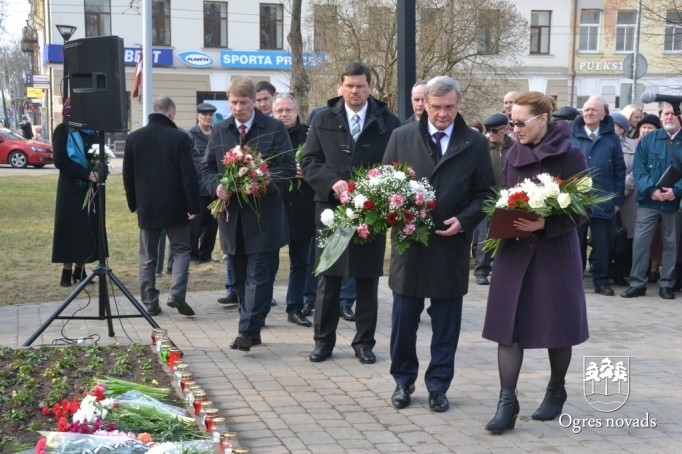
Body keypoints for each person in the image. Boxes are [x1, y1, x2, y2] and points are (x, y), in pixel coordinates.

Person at [382, 76, 495, 412]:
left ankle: (438, 386)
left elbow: (486, 194)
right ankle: (403, 381)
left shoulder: (474, 143)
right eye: (436, 107)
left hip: (451, 245)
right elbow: (383, 183)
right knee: (403, 321)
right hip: (410, 246)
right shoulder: (401, 137)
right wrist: (397, 211)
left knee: (446, 325)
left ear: (458, 105)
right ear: (424, 105)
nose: (443, 114)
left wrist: (465, 220)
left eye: (450, 107)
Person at [482, 91, 589, 434]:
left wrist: (548, 223)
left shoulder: (571, 155)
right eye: (511, 122)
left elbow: (585, 206)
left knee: (557, 325)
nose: (514, 129)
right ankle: (506, 402)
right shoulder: (513, 154)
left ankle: (556, 390)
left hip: (554, 253)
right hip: (514, 251)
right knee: (507, 327)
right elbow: (503, 194)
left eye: (519, 123)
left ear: (542, 120)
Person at [301, 61, 401, 364]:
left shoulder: (389, 122)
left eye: (360, 85)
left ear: (370, 87)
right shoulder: (322, 119)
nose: (354, 91)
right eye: (349, 85)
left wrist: (375, 191)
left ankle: (364, 342)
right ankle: (323, 341)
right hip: (332, 209)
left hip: (371, 212)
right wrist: (334, 182)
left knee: (367, 278)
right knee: (328, 276)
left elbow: (395, 166)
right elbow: (309, 162)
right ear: (340, 87)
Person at [203, 77, 295, 351]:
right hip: (232, 219)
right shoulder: (220, 130)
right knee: (240, 275)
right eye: (233, 102)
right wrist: (217, 186)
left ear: (254, 101)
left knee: (260, 275)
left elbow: (287, 168)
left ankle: (245, 330)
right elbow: (207, 168)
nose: (238, 108)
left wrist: (261, 180)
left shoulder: (274, 128)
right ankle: (252, 327)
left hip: (263, 217)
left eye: (244, 102)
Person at [123, 96, 200, 317]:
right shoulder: (179, 138)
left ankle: (149, 301)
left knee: (147, 256)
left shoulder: (134, 138)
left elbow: (128, 175)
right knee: (181, 250)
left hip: (147, 205)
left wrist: (133, 203)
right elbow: (189, 175)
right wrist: (193, 205)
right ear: (171, 113)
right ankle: (176, 294)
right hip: (176, 205)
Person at [621, 103, 682, 300]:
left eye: (673, 114)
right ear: (660, 115)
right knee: (641, 242)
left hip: (673, 202)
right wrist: (652, 190)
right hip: (648, 201)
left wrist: (676, 191)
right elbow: (639, 170)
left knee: (670, 243)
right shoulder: (648, 140)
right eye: (666, 113)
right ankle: (637, 283)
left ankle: (666, 284)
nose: (669, 117)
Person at [570, 96, 625, 296]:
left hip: (603, 201)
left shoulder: (611, 138)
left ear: (603, 114)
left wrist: (617, 200)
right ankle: (574, 281)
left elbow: (619, 170)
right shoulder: (573, 136)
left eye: (594, 110)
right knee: (576, 242)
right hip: (576, 201)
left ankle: (601, 281)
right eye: (586, 109)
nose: (589, 113)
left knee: (602, 244)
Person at [273, 93, 314, 328]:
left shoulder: (309, 134)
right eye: (279, 111)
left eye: (288, 110)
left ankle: (295, 307)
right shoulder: (268, 134)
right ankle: (259, 308)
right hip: (275, 209)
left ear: (297, 111)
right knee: (268, 262)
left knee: (300, 262)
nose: (284, 115)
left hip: (302, 207)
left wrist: (307, 169)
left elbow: (320, 161)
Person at [51, 99, 102, 287]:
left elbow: (99, 155)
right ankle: (66, 272)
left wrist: (100, 171)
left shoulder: (93, 131)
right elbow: (60, 161)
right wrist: (86, 174)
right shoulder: (63, 131)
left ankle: (80, 271)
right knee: (69, 229)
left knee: (86, 228)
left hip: (92, 189)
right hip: (71, 189)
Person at [472, 113, 513, 286]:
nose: (491, 134)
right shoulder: (481, 146)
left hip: (507, 198)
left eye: (495, 131)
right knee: (483, 236)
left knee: (504, 235)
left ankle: (502, 268)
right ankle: (481, 270)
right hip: (485, 197)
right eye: (489, 131)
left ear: (505, 129)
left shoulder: (514, 147)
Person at [187, 102, 219, 263]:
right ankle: (192, 255)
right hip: (198, 186)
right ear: (197, 115)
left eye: (210, 114)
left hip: (214, 186)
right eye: (204, 114)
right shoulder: (190, 135)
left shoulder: (217, 133)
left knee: (212, 224)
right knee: (195, 224)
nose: (207, 117)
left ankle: (206, 254)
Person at [610, 112, 638, 286]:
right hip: (607, 197)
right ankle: (607, 270)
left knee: (626, 237)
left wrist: (620, 194)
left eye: (615, 126)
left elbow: (635, 173)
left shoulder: (634, 146)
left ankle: (622, 272)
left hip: (628, 199)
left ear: (622, 129)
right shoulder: (604, 144)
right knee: (609, 236)